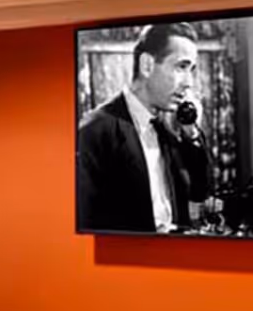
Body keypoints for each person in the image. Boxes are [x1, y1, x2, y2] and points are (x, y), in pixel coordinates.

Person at [76, 24, 216, 234]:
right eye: (181, 67)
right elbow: (86, 224)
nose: (189, 83)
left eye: (191, 70)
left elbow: (201, 192)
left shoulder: (166, 127)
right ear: (147, 65)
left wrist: (191, 132)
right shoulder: (93, 131)